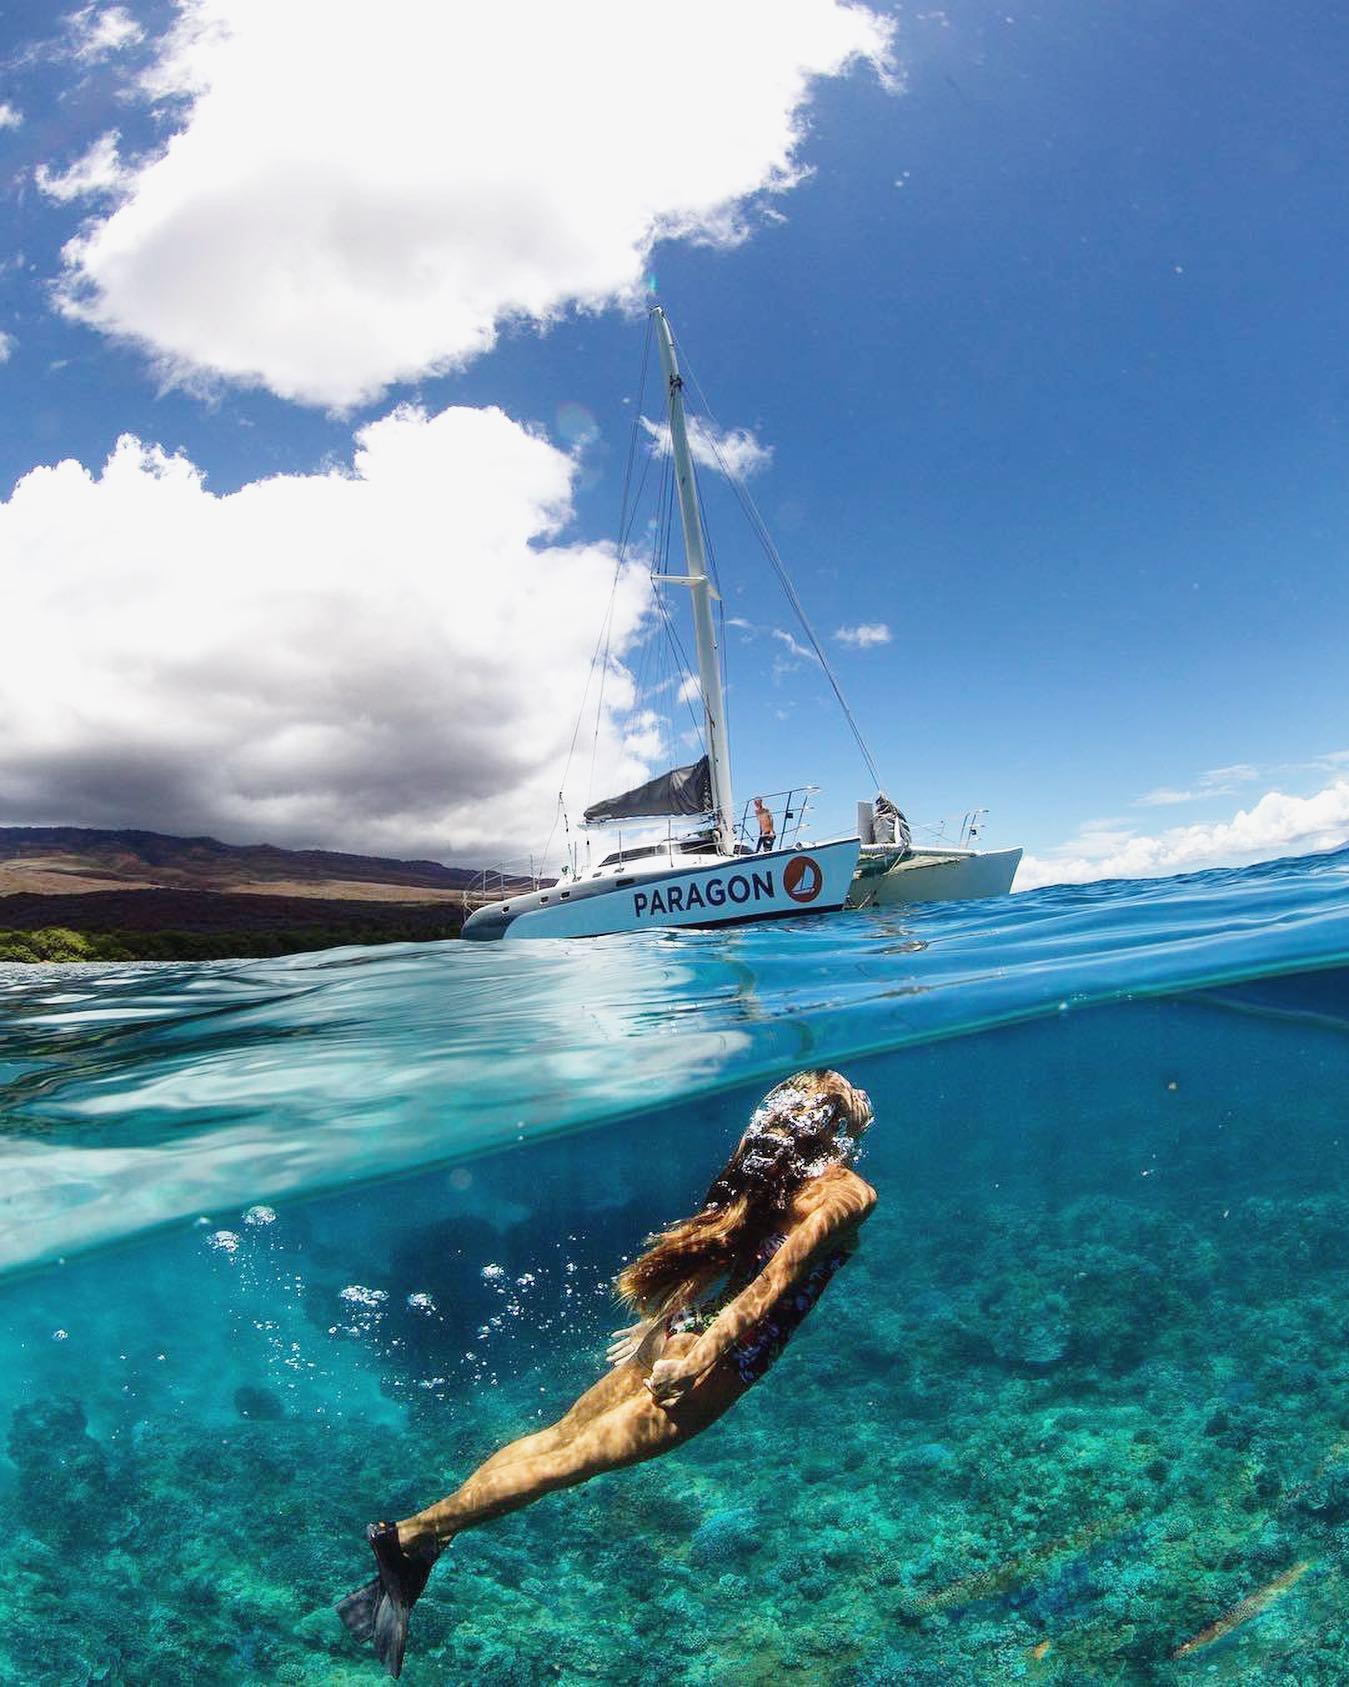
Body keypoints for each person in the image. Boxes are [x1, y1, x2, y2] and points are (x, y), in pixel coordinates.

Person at [337, 1069, 877, 1678]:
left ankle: (426, 1542)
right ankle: (407, 1538)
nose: (863, 1104)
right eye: (854, 1099)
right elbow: (768, 1289)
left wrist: (662, 1331)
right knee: (564, 1464)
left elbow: (722, 1257)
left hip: (688, 1333)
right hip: (722, 1359)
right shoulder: (847, 1195)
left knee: (556, 1441)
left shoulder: (772, 1172)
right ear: (834, 1122)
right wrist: (696, 1358)